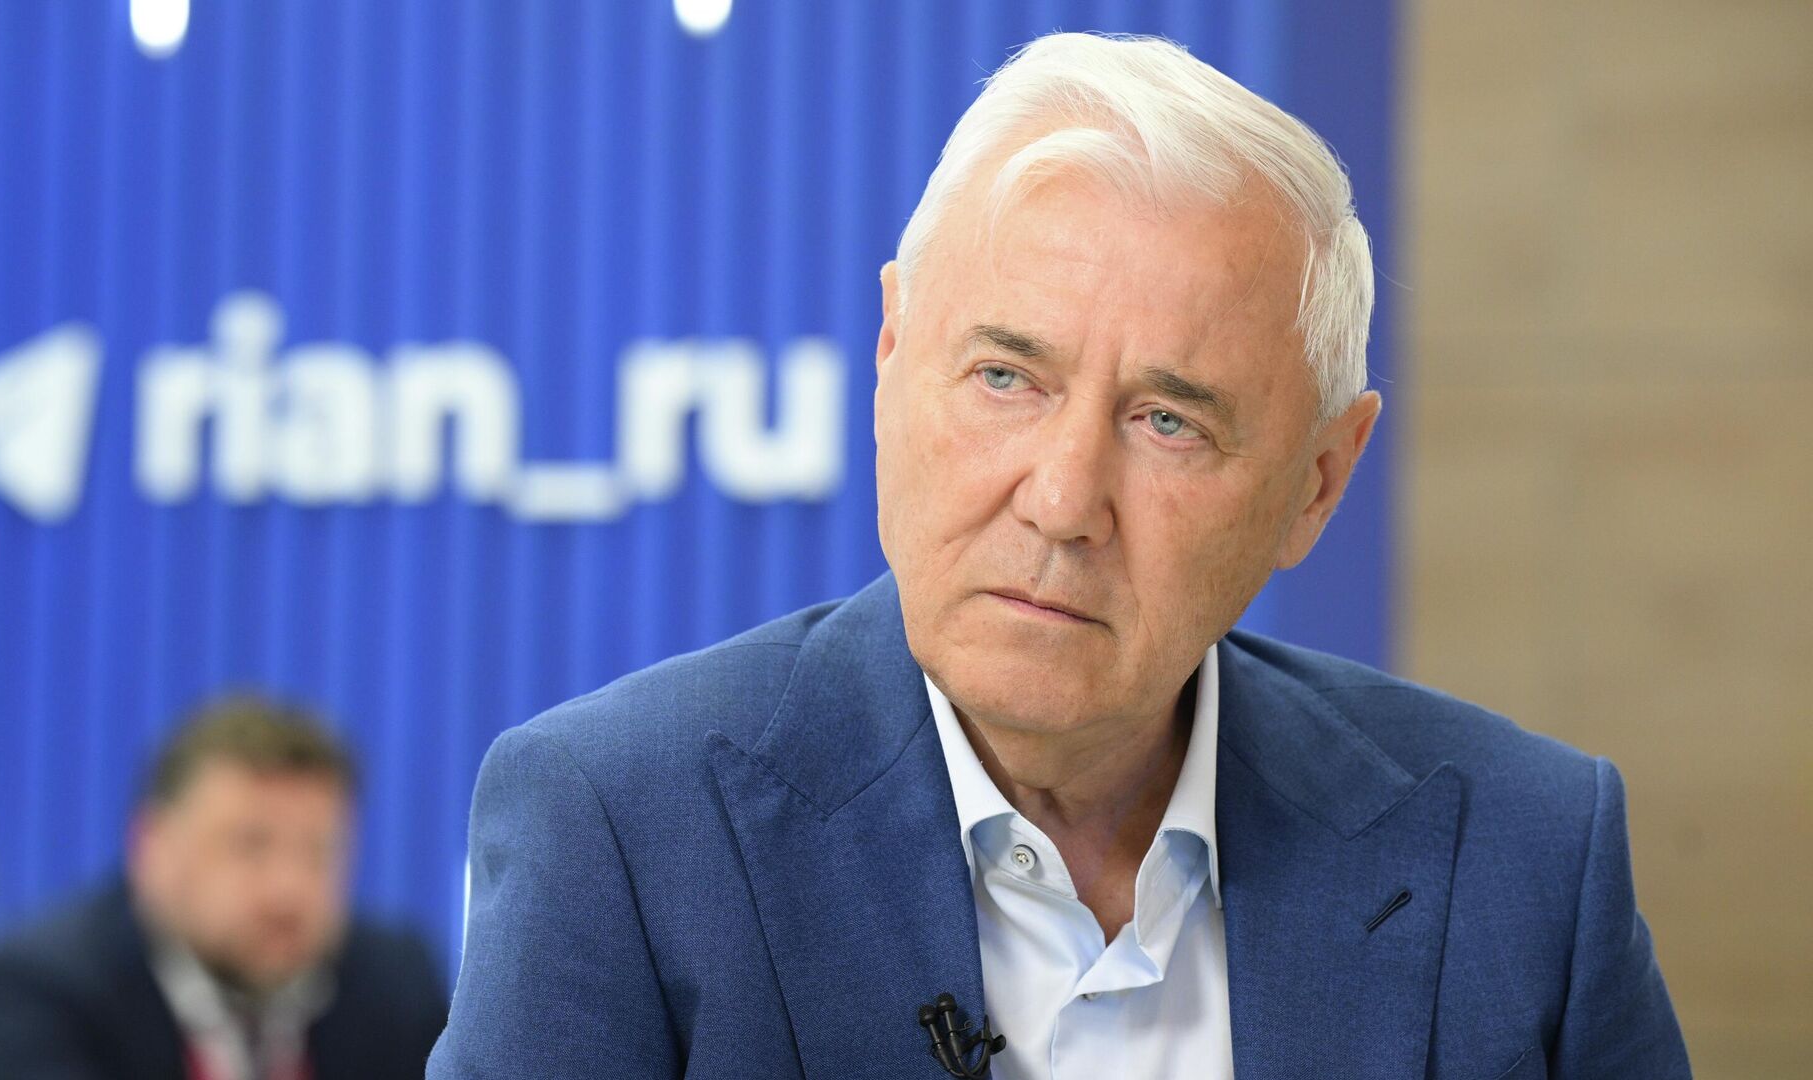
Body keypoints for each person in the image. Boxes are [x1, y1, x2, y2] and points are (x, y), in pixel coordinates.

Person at [428, 32, 1689, 1080]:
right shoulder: (623, 832)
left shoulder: (1525, 857)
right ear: (889, 362)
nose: (1064, 500)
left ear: (1317, 483)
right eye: (1004, 377)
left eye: (1169, 421)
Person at [0, 694, 449, 1080]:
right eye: (250, 845)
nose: (288, 890)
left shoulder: (396, 986)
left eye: (318, 851)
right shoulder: (39, 992)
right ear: (152, 848)